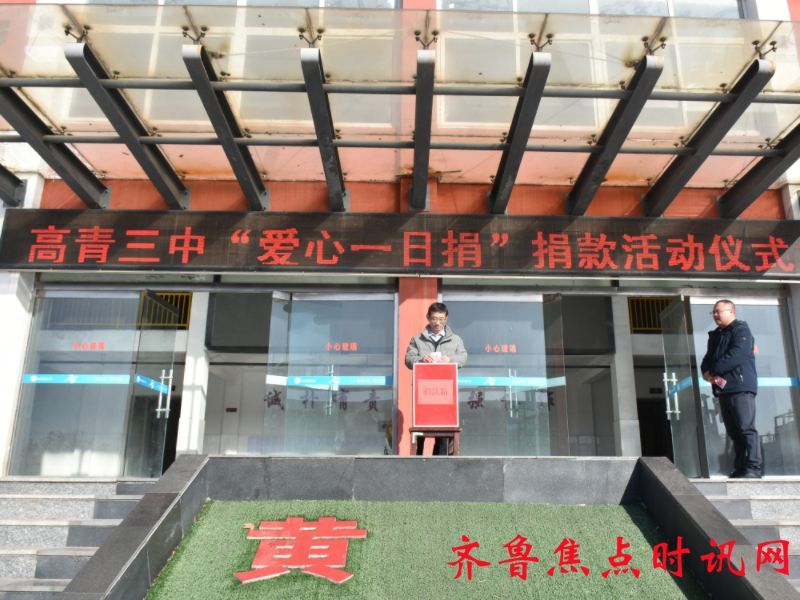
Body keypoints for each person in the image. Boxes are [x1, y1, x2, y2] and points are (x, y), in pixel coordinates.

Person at [700, 300, 762, 479]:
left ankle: (753, 467)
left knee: (746, 428)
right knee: (734, 431)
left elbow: (737, 355)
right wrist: (705, 372)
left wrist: (714, 370)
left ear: (731, 312)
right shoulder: (716, 335)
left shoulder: (741, 330)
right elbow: (708, 358)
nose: (715, 315)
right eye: (713, 312)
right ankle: (741, 468)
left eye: (718, 311)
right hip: (724, 390)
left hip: (740, 387)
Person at [405, 302, 468, 455]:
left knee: (443, 428)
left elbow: (463, 357)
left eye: (441, 319)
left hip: (445, 393)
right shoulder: (417, 339)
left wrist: (450, 360)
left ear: (446, 318)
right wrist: (421, 359)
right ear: (428, 318)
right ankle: (419, 460)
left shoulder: (456, 340)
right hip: (424, 392)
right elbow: (408, 359)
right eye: (434, 318)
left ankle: (438, 460)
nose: (437, 323)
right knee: (421, 427)